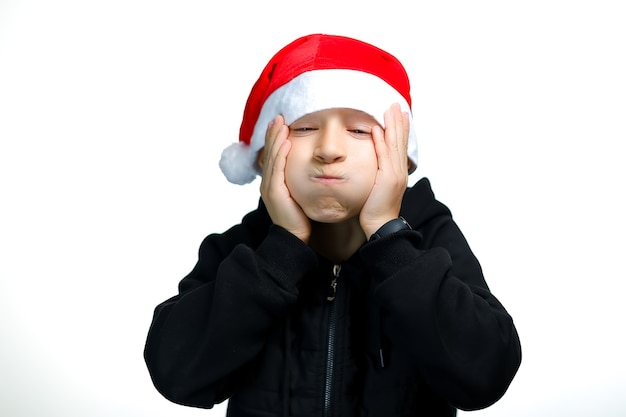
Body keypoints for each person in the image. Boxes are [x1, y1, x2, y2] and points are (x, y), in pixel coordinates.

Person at [144, 33, 522, 417]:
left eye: (359, 130)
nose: (328, 149)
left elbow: (486, 375)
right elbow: (176, 374)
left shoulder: (429, 238)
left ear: (402, 157)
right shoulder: (243, 251)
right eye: (303, 128)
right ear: (264, 155)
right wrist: (281, 253)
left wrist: (389, 241)